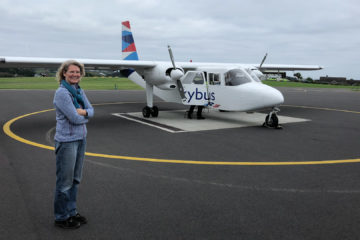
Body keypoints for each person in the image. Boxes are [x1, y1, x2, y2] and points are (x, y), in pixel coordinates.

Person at [53, 60, 94, 229]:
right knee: (64, 183)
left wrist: (84, 112)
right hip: (67, 141)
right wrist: (86, 115)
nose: (75, 74)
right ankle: (61, 217)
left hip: (80, 139)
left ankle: (71, 211)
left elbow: (92, 111)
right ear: (64, 73)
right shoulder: (62, 93)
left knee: (75, 180)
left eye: (78, 72)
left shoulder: (79, 90)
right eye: (71, 72)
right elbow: (75, 118)